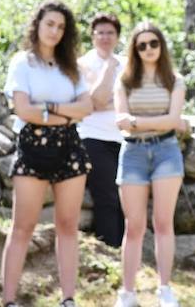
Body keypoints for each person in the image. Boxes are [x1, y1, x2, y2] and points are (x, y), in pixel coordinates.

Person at [2, 0, 94, 307]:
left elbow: (87, 107)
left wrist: (49, 109)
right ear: (37, 25)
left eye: (61, 26)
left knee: (68, 226)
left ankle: (68, 299)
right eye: (49, 24)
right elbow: (23, 110)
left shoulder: (72, 66)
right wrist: (66, 114)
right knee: (22, 227)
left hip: (70, 148)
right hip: (32, 147)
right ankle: (10, 300)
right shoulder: (22, 63)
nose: (54, 31)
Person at [113, 22, 187, 307]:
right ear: (134, 49)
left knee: (163, 223)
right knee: (133, 226)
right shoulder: (124, 80)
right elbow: (120, 119)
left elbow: (172, 121)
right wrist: (154, 122)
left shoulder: (174, 80)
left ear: (161, 45)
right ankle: (128, 292)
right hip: (132, 154)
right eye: (141, 45)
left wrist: (136, 122)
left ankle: (165, 288)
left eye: (153, 43)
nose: (148, 49)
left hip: (166, 151)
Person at [77, 13, 125, 248]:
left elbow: (135, 102)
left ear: (117, 36)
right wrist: (108, 68)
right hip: (93, 137)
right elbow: (94, 101)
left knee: (125, 197)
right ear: (92, 36)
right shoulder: (83, 64)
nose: (105, 37)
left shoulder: (127, 63)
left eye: (110, 33)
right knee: (106, 196)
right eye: (101, 32)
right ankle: (110, 248)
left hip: (124, 138)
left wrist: (108, 101)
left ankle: (127, 252)